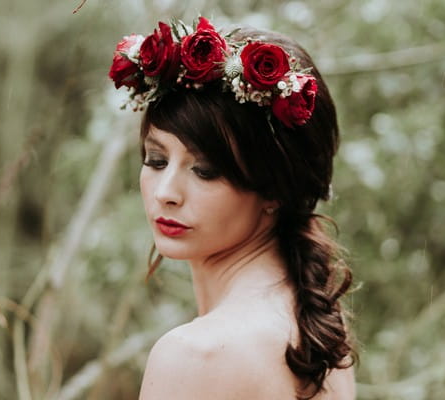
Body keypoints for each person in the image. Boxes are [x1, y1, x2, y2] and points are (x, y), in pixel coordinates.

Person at [109, 16, 356, 400]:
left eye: (206, 171)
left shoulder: (195, 355)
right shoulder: (319, 336)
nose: (165, 192)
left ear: (275, 187)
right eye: (156, 160)